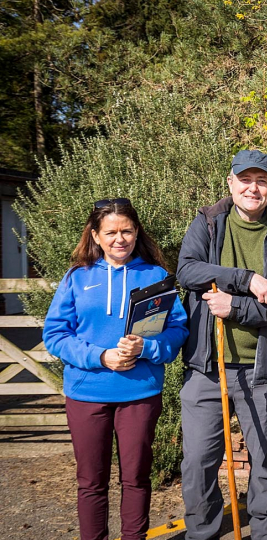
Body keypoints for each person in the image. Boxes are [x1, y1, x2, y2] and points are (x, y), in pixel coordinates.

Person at [176, 149, 267, 540]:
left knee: (265, 459)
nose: (254, 187)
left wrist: (235, 307)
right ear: (231, 183)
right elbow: (187, 270)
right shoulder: (208, 223)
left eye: (262, 180)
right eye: (246, 179)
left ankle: (264, 532)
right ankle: (203, 532)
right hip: (207, 366)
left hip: (263, 368)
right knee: (199, 461)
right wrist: (246, 279)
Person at [43, 198, 188, 540]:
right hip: (86, 393)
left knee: (136, 478)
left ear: (137, 233)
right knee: (91, 482)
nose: (119, 239)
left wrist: (148, 347)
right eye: (110, 232)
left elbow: (178, 330)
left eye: (126, 231)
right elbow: (55, 335)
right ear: (95, 235)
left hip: (139, 392)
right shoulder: (77, 277)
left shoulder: (156, 277)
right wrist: (100, 357)